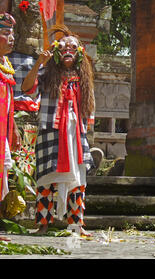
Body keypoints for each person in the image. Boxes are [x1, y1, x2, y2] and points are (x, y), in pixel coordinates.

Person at [21, 25, 95, 237]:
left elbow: (89, 109)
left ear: (79, 52)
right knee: (45, 178)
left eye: (72, 47)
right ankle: (43, 223)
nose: (67, 50)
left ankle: (77, 225)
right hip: (50, 132)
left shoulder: (84, 78)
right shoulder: (46, 73)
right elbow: (27, 88)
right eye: (63, 47)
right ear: (56, 52)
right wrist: (38, 63)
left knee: (78, 179)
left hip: (75, 134)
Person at [0, 13, 21, 241]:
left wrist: (13, 127)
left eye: (12, 33)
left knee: (1, 175)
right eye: (6, 33)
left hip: (3, 131)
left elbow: (9, 100)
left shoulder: (6, 64)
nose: (11, 38)